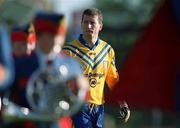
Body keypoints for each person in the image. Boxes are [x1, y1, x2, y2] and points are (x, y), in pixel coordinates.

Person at [62, 8, 130, 128]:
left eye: (92, 23)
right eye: (85, 22)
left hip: (99, 108)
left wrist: (123, 102)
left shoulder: (107, 50)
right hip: (78, 107)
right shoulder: (68, 52)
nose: (88, 26)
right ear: (81, 24)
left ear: (100, 26)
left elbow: (113, 80)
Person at [32, 11, 89, 128]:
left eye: (59, 36)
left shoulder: (70, 63)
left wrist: (82, 83)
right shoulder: (22, 62)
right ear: (38, 36)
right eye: (50, 36)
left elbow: (83, 90)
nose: (55, 41)